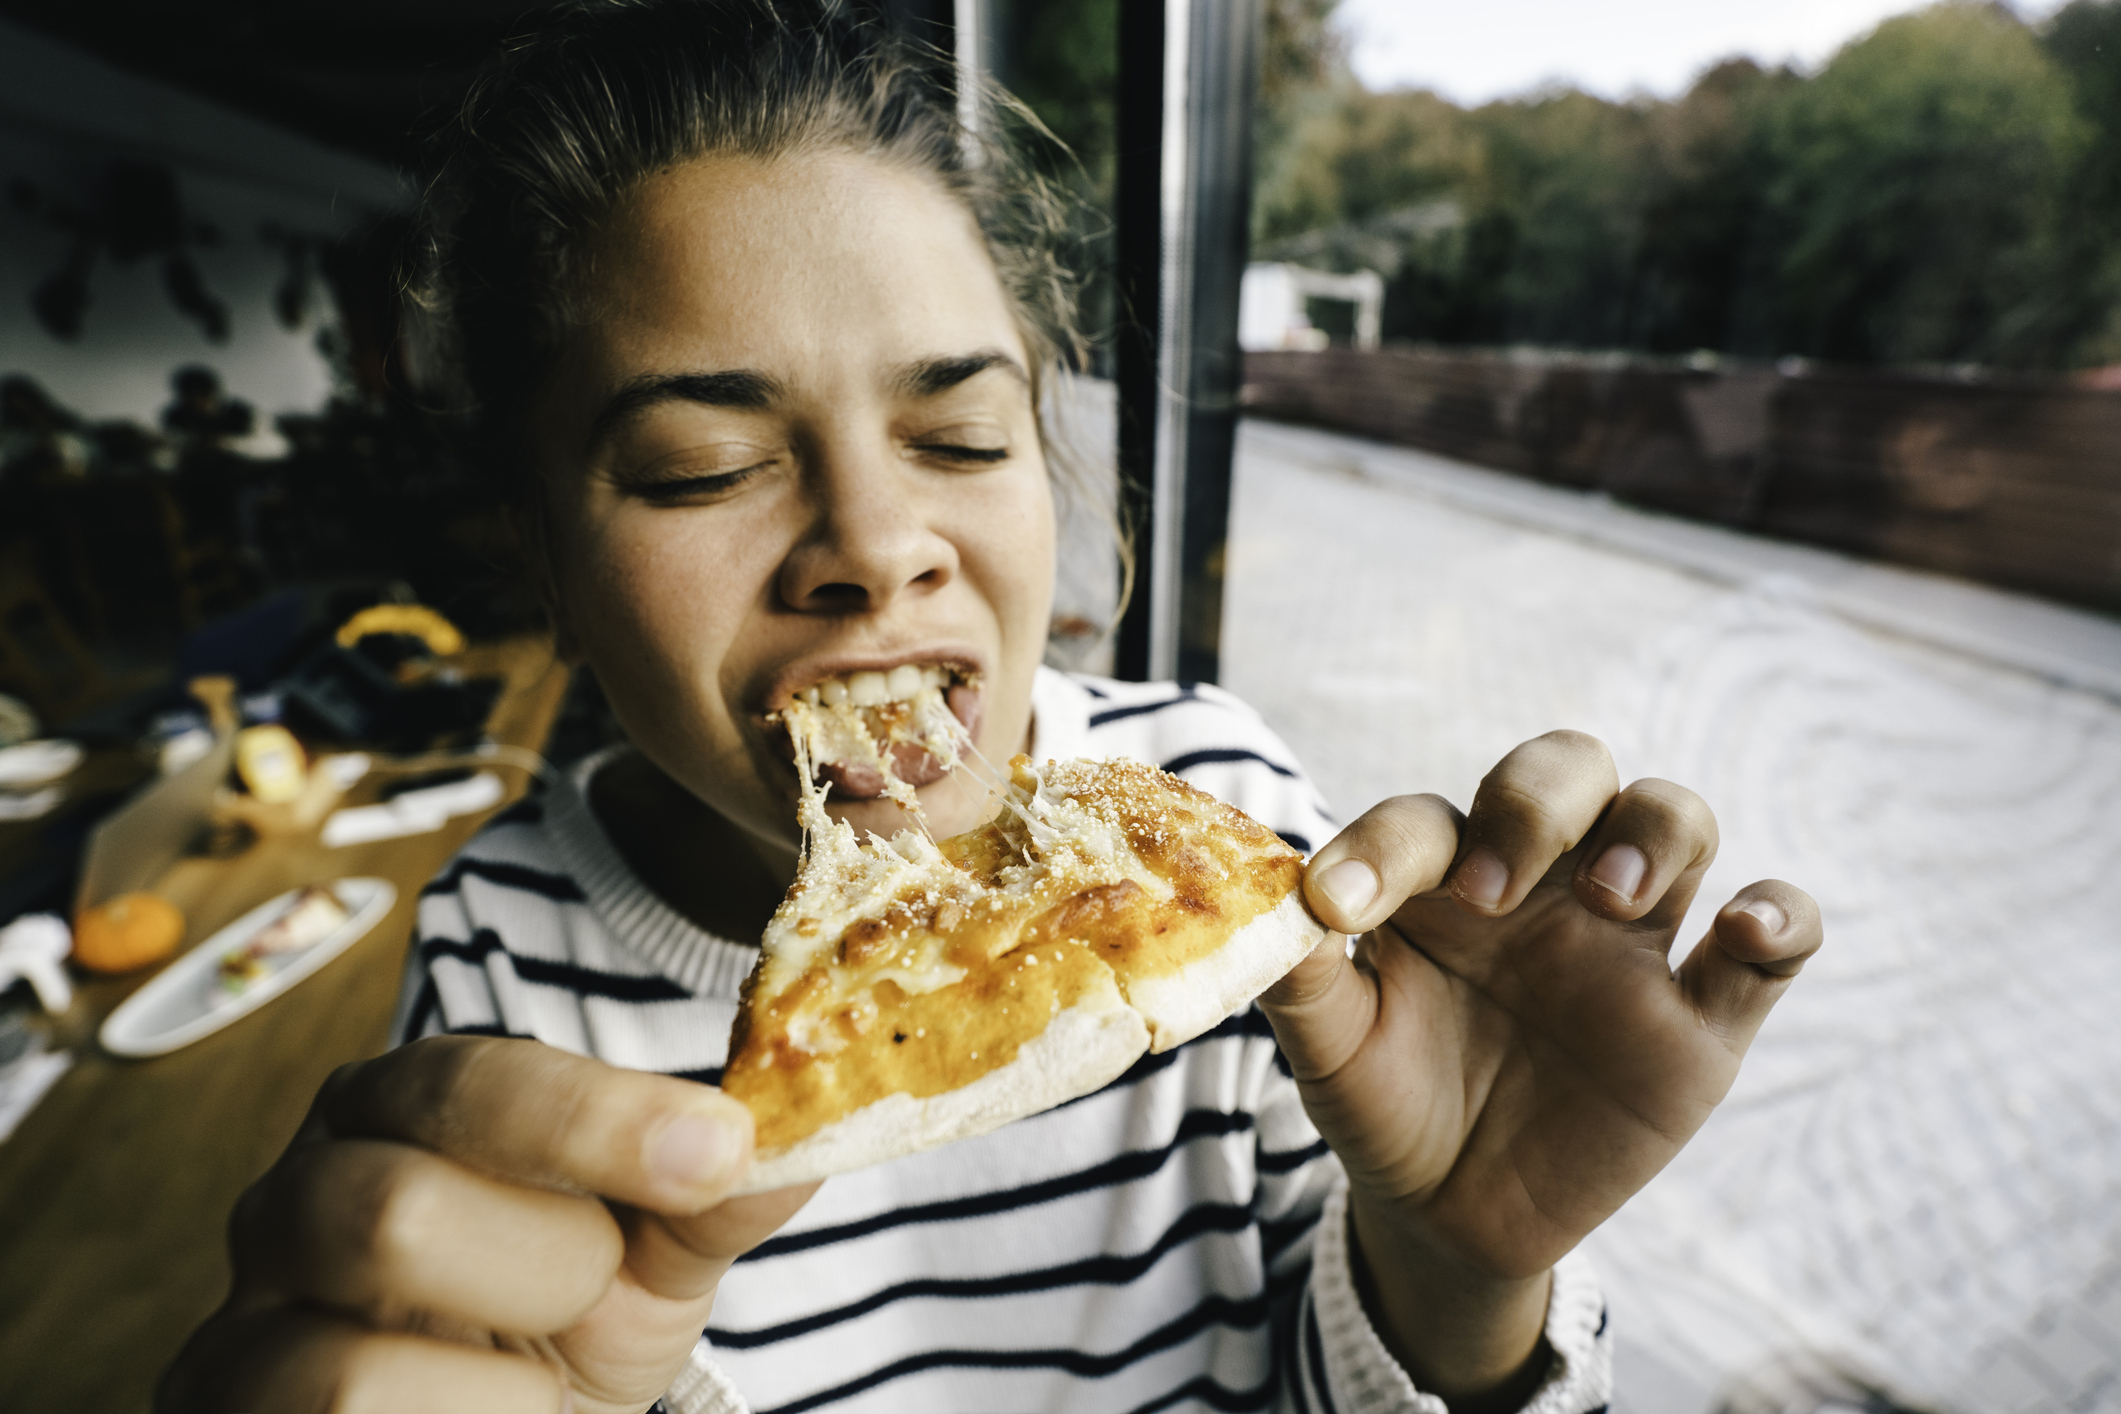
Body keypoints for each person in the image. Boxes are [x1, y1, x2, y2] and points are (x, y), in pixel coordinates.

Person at [158, 4, 1822, 1412]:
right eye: (702, 466)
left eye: (957, 437)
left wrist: (1459, 1272)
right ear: (544, 558)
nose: (878, 550)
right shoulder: (500, 953)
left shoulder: (1222, 816)